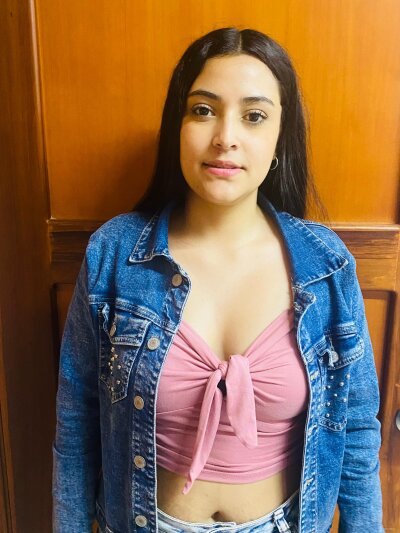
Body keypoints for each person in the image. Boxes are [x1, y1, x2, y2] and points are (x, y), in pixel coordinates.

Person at [52, 27, 384, 533]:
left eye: (254, 116)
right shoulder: (114, 255)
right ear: (178, 126)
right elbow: (76, 429)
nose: (226, 136)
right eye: (203, 110)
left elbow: (357, 431)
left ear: (280, 138)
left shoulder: (326, 264)